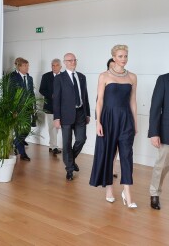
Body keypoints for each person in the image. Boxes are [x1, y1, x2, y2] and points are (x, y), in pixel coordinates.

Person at [89, 45, 138, 208]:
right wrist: (98, 123)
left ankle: (127, 192)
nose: (123, 59)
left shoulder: (132, 77)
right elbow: (100, 101)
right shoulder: (104, 76)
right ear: (114, 57)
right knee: (109, 154)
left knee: (126, 155)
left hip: (126, 120)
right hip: (108, 119)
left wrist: (135, 124)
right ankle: (109, 189)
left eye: (125, 56)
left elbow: (133, 101)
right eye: (120, 56)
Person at [148, 49, 169, 210]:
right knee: (162, 166)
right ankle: (154, 194)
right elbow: (155, 108)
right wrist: (154, 132)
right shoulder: (165, 80)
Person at [53, 53, 90, 181]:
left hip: (80, 113)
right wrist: (56, 118)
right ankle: (69, 169)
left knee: (81, 139)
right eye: (70, 60)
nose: (73, 62)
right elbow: (56, 99)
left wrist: (87, 113)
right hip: (65, 115)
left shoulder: (81, 77)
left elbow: (85, 97)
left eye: (74, 60)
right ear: (65, 62)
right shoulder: (59, 78)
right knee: (67, 143)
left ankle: (71, 160)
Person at [11, 58, 35, 161]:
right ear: (19, 66)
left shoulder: (29, 78)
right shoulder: (12, 78)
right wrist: (13, 110)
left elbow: (32, 94)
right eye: (25, 66)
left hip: (28, 108)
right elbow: (10, 96)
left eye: (28, 66)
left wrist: (34, 106)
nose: (27, 67)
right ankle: (22, 153)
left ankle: (16, 142)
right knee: (18, 131)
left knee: (27, 129)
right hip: (17, 109)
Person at [39, 58, 62, 155]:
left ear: (60, 67)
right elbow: (41, 90)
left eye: (57, 65)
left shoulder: (64, 76)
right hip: (50, 106)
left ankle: (51, 145)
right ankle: (54, 147)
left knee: (56, 127)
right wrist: (51, 95)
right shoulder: (46, 76)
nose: (55, 67)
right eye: (53, 65)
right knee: (52, 127)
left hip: (61, 107)